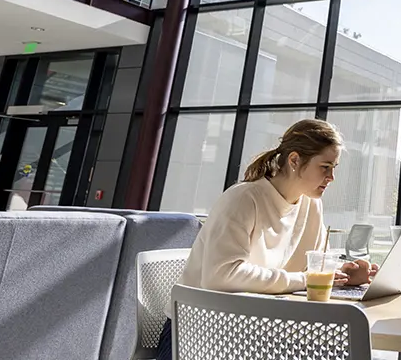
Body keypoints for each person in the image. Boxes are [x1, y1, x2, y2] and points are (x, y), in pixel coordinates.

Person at [156, 118, 377, 360]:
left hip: (259, 327)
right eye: (325, 167)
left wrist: (343, 273)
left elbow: (311, 266)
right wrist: (305, 279)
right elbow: (221, 276)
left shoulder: (312, 205)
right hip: (199, 330)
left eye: (334, 167)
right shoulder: (243, 199)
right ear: (294, 160)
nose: (332, 177)